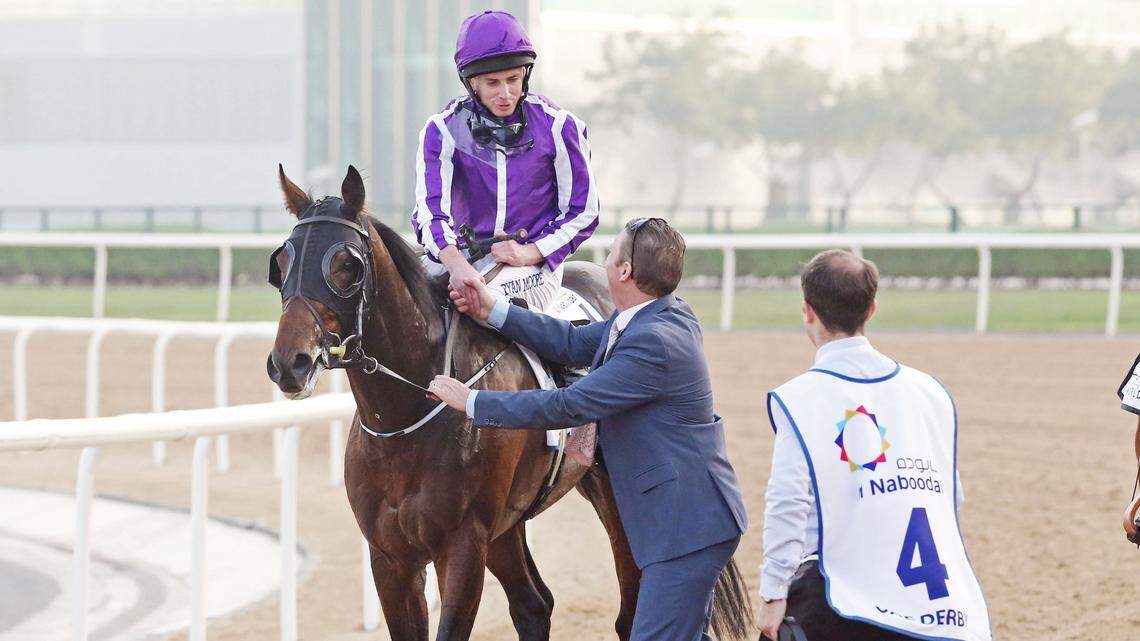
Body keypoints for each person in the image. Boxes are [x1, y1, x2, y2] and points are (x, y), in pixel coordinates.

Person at [428, 218, 748, 641]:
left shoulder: (652, 340)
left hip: (683, 531)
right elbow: (572, 342)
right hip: (686, 521)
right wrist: (494, 310)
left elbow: (570, 404)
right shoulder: (654, 315)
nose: (608, 258)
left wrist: (471, 401)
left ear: (625, 271)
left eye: (613, 252)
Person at [758, 250, 991, 641]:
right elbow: (953, 498)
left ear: (808, 311)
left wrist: (772, 591)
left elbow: (787, 503)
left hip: (844, 602)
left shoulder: (799, 398)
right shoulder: (930, 392)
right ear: (872, 309)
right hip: (949, 610)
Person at [413, 9, 599, 316]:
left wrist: (529, 252)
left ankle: (563, 365)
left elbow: (584, 211)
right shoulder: (441, 131)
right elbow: (429, 212)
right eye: (492, 83)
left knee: (481, 306)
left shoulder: (560, 128)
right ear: (471, 82)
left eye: (513, 79)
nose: (505, 93)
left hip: (535, 266)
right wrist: (456, 264)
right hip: (457, 258)